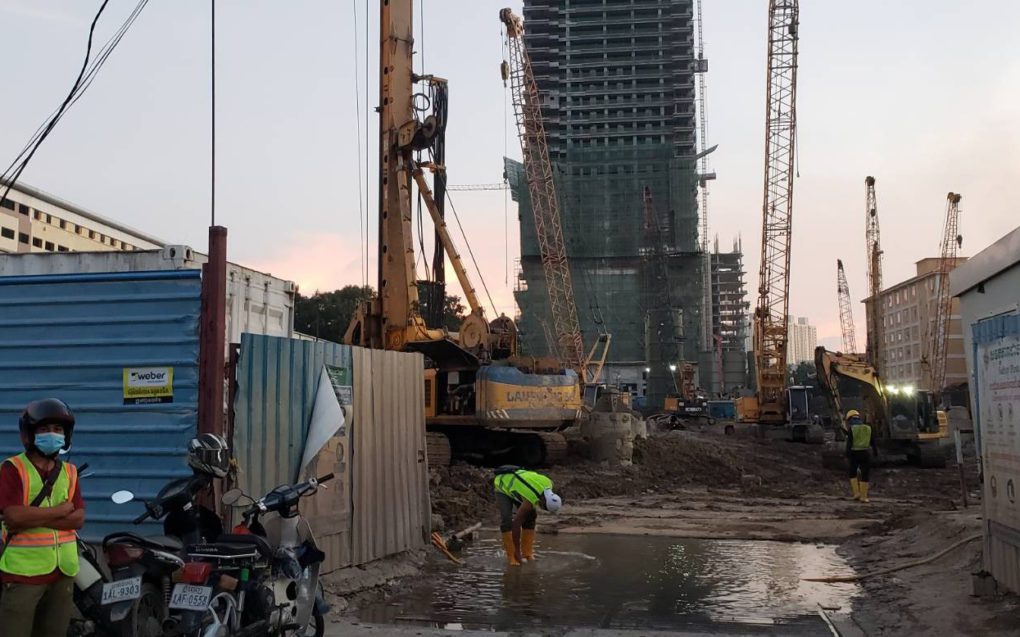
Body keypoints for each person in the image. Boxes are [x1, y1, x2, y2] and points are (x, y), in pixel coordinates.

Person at [0, 399, 84, 637]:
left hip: (63, 572)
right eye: (44, 430)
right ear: (28, 435)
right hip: (23, 574)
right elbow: (13, 516)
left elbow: (78, 518)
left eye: (58, 430)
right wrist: (59, 511)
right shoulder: (12, 469)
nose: (52, 435)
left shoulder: (70, 472)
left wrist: (32, 517)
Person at [493, 466, 562, 566]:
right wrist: (517, 551)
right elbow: (516, 525)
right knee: (507, 521)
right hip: (502, 484)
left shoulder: (549, 483)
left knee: (531, 516)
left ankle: (527, 553)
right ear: (543, 501)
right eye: (544, 507)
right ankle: (512, 556)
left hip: (518, 486)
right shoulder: (530, 497)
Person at [845, 409, 878, 503]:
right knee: (865, 474)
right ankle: (864, 497)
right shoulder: (868, 428)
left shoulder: (852, 429)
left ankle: (856, 493)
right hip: (865, 453)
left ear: (850, 419)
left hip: (854, 453)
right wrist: (875, 453)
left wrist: (847, 454)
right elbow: (873, 442)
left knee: (852, 473)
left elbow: (849, 443)